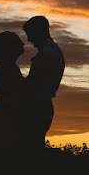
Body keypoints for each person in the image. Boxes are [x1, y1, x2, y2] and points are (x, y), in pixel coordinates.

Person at [21, 15, 65, 148]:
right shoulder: (51, 51)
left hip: (37, 107)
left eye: (30, 34)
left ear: (38, 32)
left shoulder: (47, 54)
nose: (29, 39)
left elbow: (33, 84)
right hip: (41, 106)